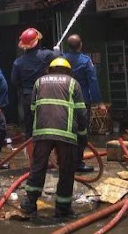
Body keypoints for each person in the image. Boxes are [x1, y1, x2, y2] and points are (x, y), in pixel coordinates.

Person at [20, 57, 88, 218]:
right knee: (66, 169)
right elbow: (81, 112)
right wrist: (83, 134)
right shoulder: (73, 83)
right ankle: (63, 208)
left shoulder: (39, 82)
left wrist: (32, 132)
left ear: (50, 69)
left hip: (42, 132)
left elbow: (32, 109)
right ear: (68, 71)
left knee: (38, 166)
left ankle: (30, 203)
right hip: (66, 133)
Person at [11, 28, 60, 161]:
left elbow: (15, 81)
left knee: (30, 130)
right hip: (46, 95)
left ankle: (33, 162)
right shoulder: (48, 55)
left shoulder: (18, 62)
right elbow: (59, 59)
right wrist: (56, 50)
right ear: (37, 42)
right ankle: (58, 159)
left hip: (28, 97)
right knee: (53, 127)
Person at [63, 34, 106, 173]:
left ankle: (65, 160)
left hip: (64, 100)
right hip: (81, 102)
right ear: (80, 45)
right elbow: (92, 82)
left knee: (66, 131)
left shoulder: (62, 59)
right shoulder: (85, 61)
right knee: (81, 132)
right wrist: (99, 102)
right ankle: (78, 163)